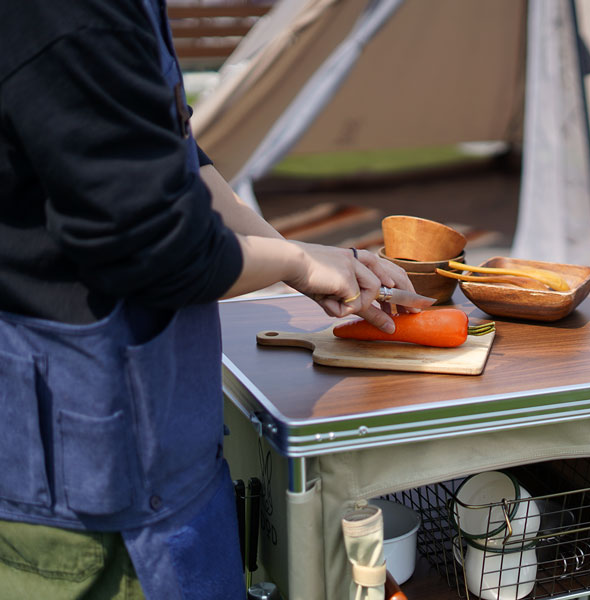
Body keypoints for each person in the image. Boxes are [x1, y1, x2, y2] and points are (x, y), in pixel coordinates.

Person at [0, 1, 416, 598]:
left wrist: (296, 256)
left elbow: (175, 154)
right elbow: (155, 246)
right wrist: (298, 262)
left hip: (176, 466)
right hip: (90, 504)